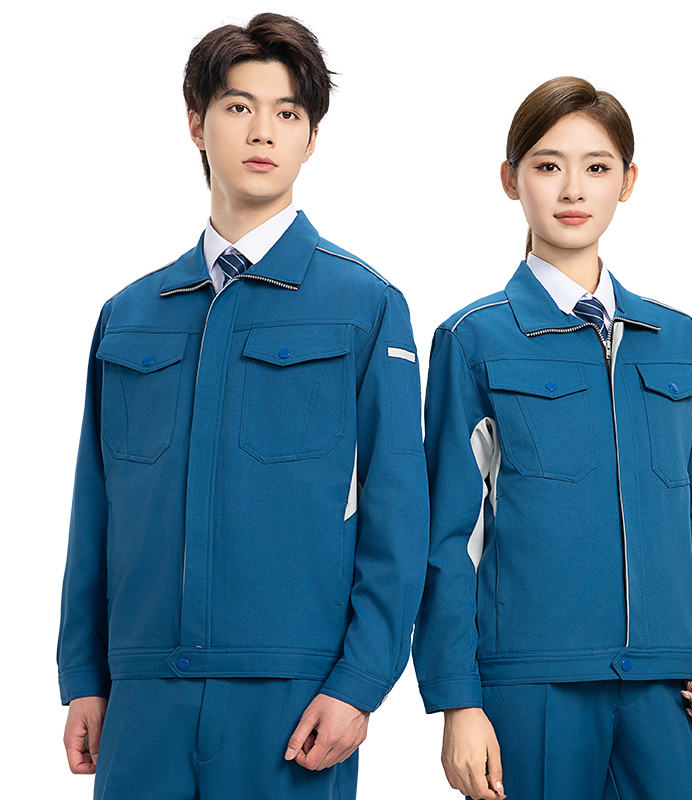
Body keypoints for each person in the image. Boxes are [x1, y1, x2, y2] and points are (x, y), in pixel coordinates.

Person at [58, 13, 428, 799]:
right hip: (142, 694)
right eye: (238, 107)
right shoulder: (130, 315)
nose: (263, 131)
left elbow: (400, 516)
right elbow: (97, 508)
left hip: (292, 698)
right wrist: (83, 674)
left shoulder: (365, 306)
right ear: (197, 124)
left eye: (287, 113)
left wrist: (360, 682)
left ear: (312, 139)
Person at [412, 76, 692, 800]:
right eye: (548, 165)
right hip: (531, 685)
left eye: (597, 167)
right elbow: (447, 536)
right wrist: (457, 699)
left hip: (671, 683)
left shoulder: (677, 340)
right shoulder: (474, 339)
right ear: (511, 179)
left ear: (627, 182)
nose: (573, 188)